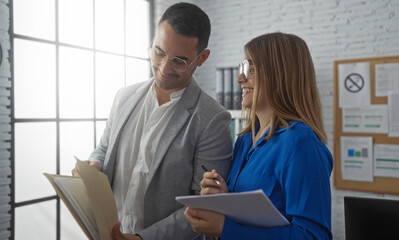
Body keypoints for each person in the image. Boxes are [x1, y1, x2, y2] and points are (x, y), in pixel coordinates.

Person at [71, 2, 233, 240]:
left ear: (202, 58)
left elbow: (202, 207)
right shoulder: (123, 97)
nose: (164, 67)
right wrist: (92, 166)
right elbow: (103, 150)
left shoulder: (212, 119)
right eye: (159, 52)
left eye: (179, 61)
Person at [184, 32, 333, 239]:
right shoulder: (245, 140)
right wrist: (223, 198)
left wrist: (225, 228)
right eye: (242, 68)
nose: (240, 78)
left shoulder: (301, 143)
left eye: (251, 69)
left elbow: (313, 236)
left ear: (281, 74)